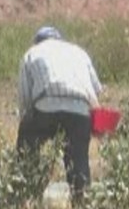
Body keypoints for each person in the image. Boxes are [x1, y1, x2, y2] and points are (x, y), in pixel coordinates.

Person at [16, 26, 103, 198]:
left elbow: (24, 99)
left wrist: (25, 121)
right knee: (78, 159)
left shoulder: (31, 54)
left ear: (38, 41)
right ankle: (82, 204)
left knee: (28, 145)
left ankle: (25, 189)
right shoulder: (79, 52)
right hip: (79, 109)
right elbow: (96, 90)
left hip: (46, 105)